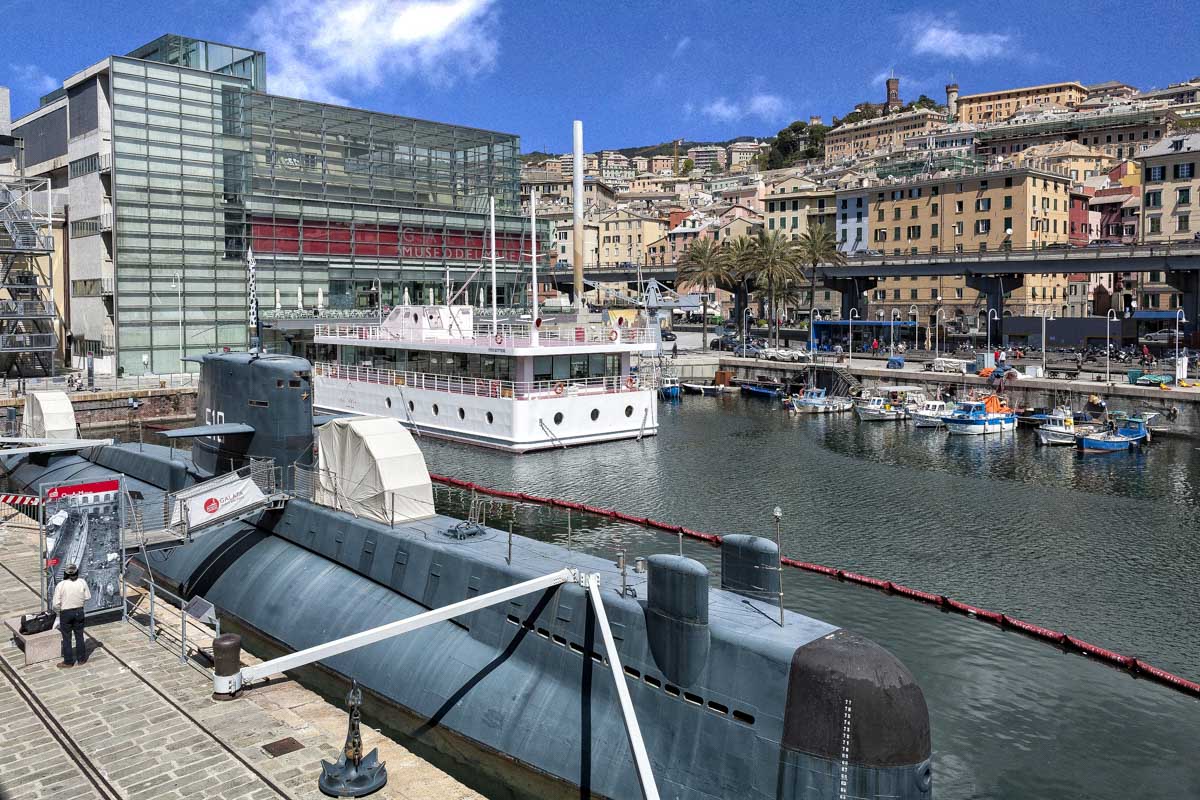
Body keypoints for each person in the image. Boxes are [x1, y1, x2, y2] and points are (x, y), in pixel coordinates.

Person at [52, 563, 91, 668]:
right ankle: (81, 659)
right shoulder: (82, 582)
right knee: (79, 636)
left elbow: (55, 604)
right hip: (79, 611)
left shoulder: (61, 585)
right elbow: (87, 597)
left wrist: (58, 612)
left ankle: (68, 661)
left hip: (66, 613)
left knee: (67, 638)